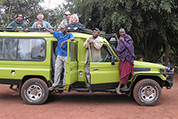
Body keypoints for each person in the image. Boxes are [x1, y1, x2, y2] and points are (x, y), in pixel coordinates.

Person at [43, 25, 74, 91]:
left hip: (66, 55)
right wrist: (45, 28)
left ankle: (65, 84)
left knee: (66, 71)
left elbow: (72, 39)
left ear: (66, 29)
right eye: (61, 29)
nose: (61, 30)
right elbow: (52, 32)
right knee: (57, 69)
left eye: (63, 29)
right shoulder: (59, 34)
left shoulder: (69, 35)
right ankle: (55, 84)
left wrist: (64, 42)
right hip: (59, 55)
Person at [115, 28, 135, 94]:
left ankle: (118, 88)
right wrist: (120, 41)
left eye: (122, 32)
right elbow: (119, 49)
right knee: (121, 71)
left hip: (128, 58)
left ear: (125, 32)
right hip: (122, 58)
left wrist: (124, 42)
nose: (121, 33)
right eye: (120, 32)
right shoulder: (120, 39)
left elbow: (130, 47)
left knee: (125, 73)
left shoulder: (128, 38)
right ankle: (125, 86)